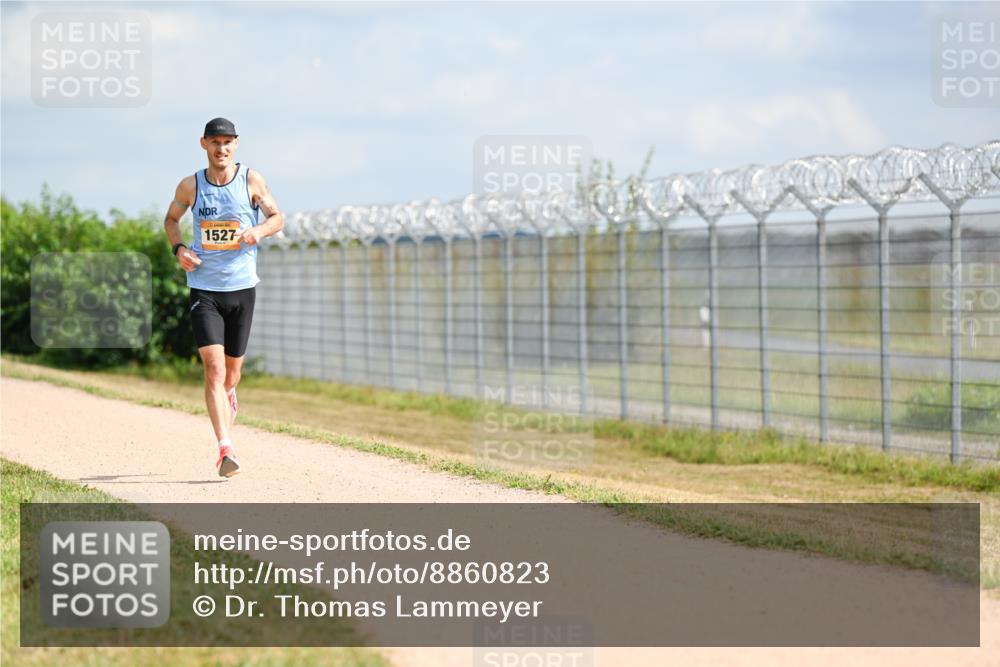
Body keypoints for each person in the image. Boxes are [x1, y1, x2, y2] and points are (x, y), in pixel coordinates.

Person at [163, 117, 284, 477]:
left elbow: (277, 218)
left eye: (228, 142)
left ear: (236, 144)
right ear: (204, 144)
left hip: (242, 289)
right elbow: (171, 221)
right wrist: (180, 249)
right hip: (205, 288)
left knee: (232, 375)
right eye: (215, 142)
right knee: (213, 369)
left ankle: (229, 394)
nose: (222, 149)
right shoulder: (191, 186)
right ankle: (224, 448)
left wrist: (258, 231)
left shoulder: (251, 180)